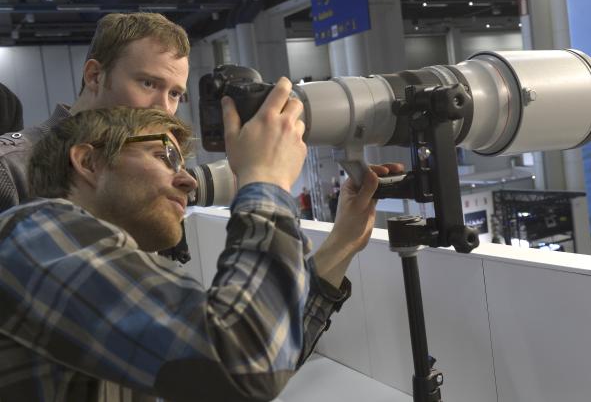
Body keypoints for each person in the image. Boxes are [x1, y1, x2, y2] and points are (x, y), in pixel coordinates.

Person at [0, 88, 401, 400]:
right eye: (164, 156)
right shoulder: (32, 235)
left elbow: (250, 360)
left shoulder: (83, 267)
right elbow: (245, 363)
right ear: (88, 162)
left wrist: (343, 242)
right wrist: (264, 179)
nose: (188, 180)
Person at [0, 12, 189, 213]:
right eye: (148, 84)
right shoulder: (10, 168)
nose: (165, 108)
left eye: (174, 94)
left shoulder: (158, 167)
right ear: (95, 76)